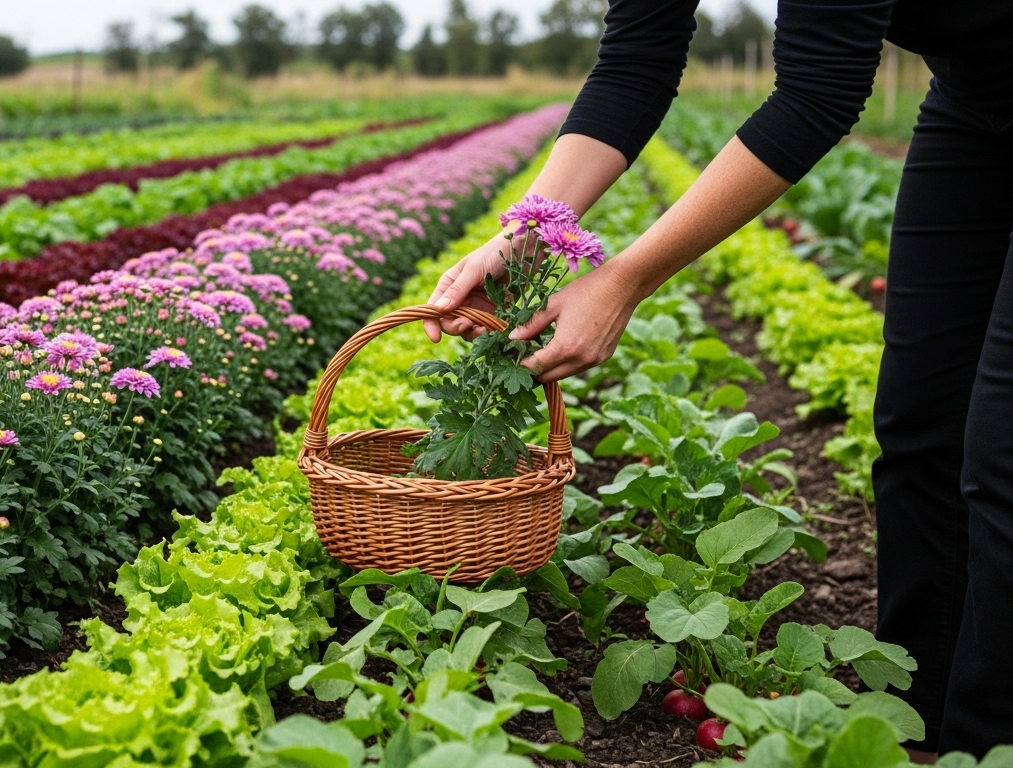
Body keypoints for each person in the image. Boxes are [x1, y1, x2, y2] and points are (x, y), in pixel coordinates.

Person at [424, 0, 1013, 759]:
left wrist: (626, 279)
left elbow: (819, 89)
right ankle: (917, 731)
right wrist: (529, 234)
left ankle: (991, 741)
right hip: (976, 97)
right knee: (920, 424)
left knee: (1003, 456)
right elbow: (637, 58)